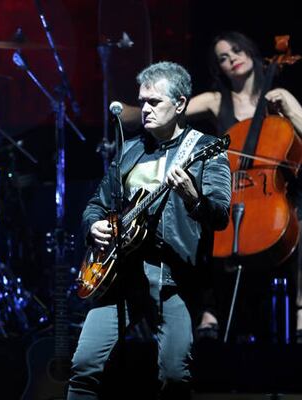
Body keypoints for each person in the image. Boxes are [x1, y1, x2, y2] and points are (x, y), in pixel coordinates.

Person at [68, 61, 231, 399]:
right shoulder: (130, 151)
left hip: (171, 279)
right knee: (84, 366)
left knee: (174, 375)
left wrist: (191, 195)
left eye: (154, 102)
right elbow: (96, 205)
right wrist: (93, 226)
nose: (144, 109)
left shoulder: (204, 151)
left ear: (181, 104)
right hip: (119, 277)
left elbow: (219, 216)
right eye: (142, 101)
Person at [185, 31, 302, 341]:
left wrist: (289, 110)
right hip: (232, 189)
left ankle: (300, 309)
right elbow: (175, 112)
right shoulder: (215, 101)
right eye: (223, 57)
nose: (231, 59)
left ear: (250, 52)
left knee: (298, 221)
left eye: (236, 51)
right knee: (201, 222)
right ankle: (211, 311)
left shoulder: (279, 99)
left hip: (272, 192)